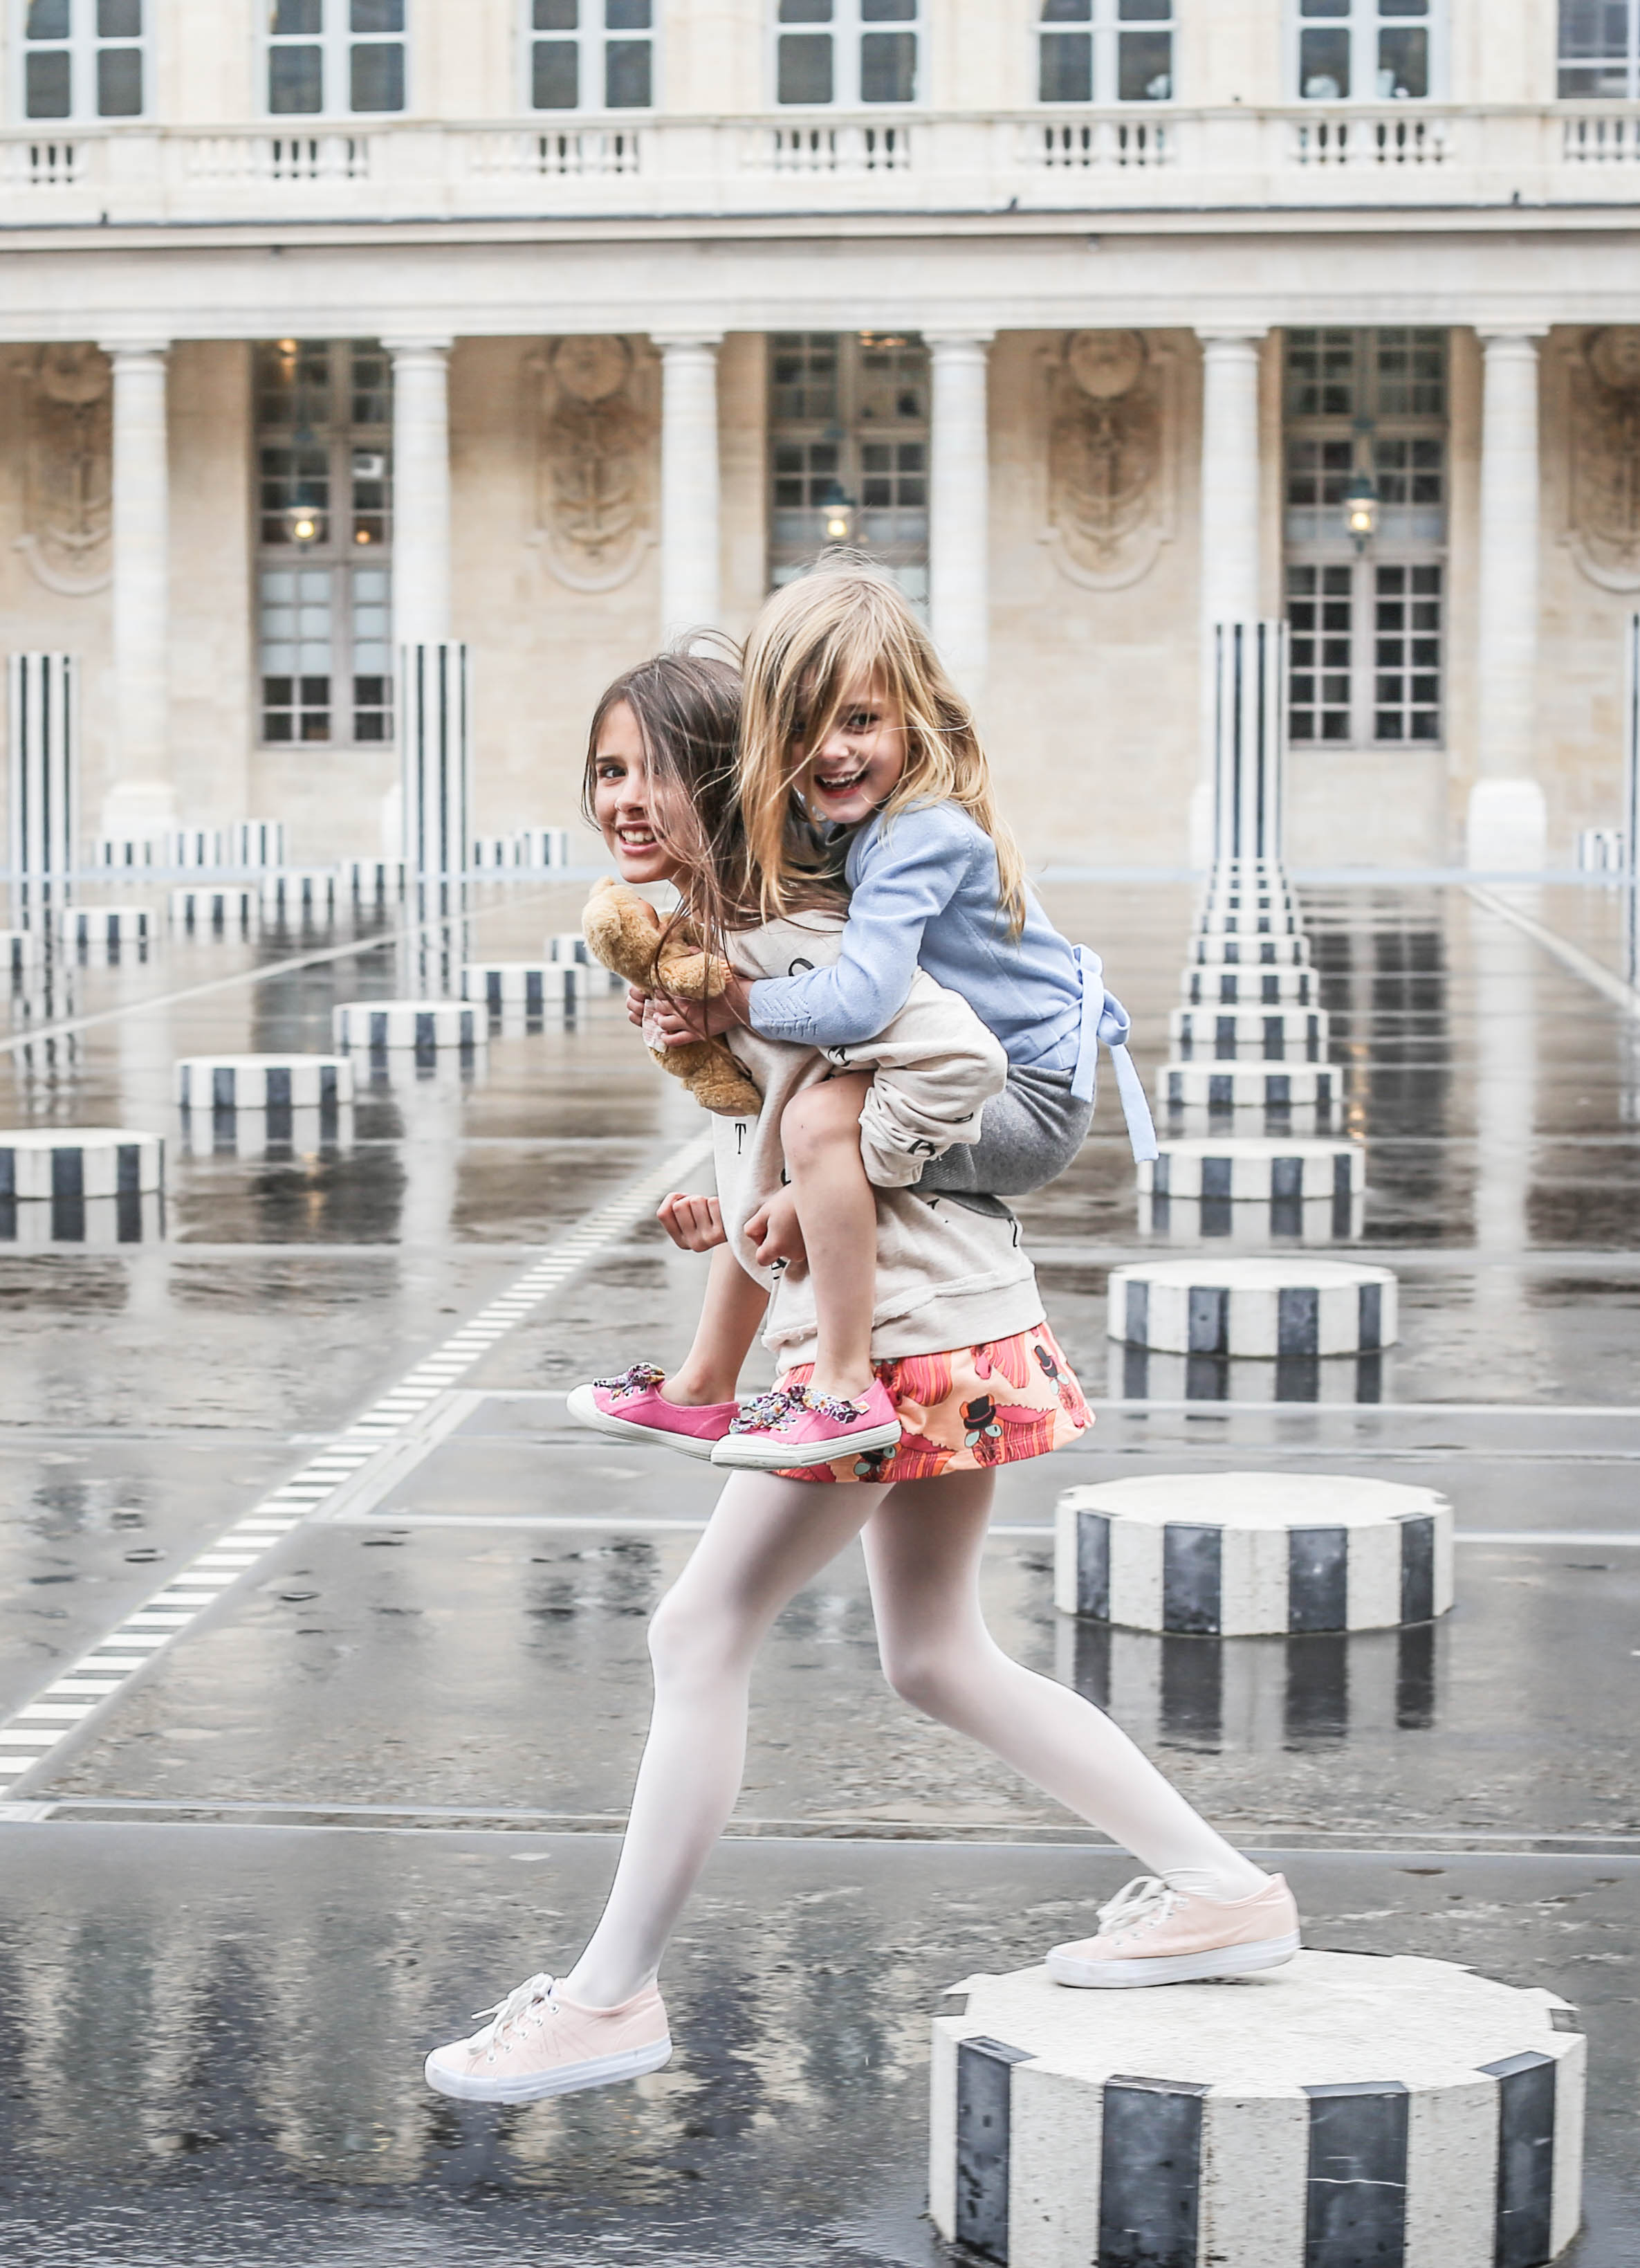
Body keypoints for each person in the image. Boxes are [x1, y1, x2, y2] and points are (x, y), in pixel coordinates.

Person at [422, 650, 1299, 2109]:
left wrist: (813, 1179)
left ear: (727, 775)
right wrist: (740, 1202)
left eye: (653, 769)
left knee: (699, 1628)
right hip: (948, 1316)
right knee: (935, 1653)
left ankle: (606, 1998)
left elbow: (945, 1061)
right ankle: (1224, 1890)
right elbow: (783, 1124)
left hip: (896, 1337)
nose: (623, 799)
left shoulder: (794, 933)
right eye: (605, 770)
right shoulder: (738, 932)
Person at [636, 560, 1156, 1473]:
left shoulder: (919, 831)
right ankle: (706, 1378)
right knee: (800, 1124)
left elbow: (860, 999)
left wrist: (738, 1003)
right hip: (974, 1075)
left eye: (861, 721)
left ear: (917, 715)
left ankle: (836, 1386)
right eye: (802, 727)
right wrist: (680, 994)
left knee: (815, 1123)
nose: (832, 751)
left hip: (1028, 1100)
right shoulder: (857, 822)